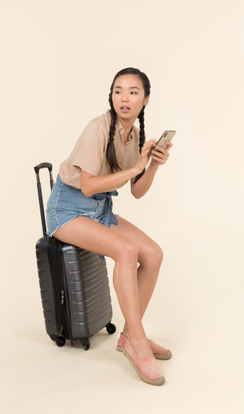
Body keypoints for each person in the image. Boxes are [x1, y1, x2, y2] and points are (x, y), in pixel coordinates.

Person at [46, 67, 173, 385]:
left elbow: (137, 192)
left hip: (100, 210)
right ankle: (138, 342)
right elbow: (88, 186)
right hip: (68, 210)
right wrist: (136, 168)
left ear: (145, 99)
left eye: (133, 91)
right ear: (111, 96)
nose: (124, 98)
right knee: (126, 250)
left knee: (153, 254)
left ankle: (129, 334)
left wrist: (151, 166)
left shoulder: (134, 135)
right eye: (118, 91)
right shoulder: (98, 128)